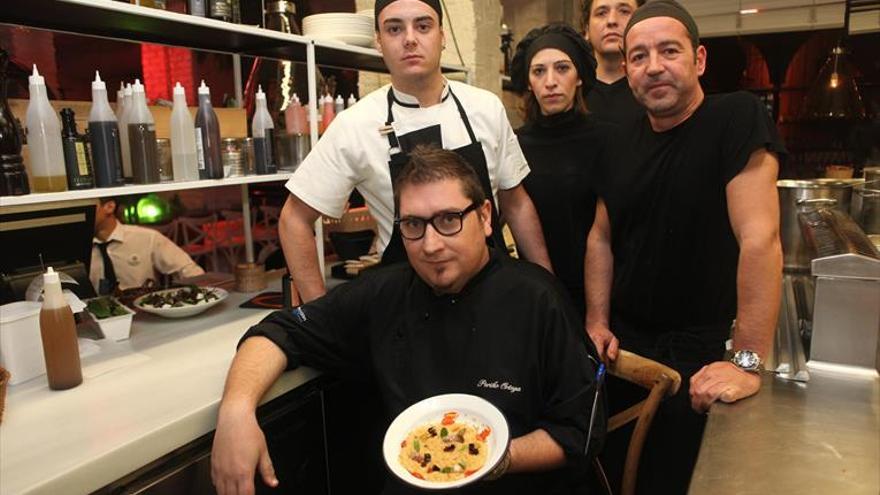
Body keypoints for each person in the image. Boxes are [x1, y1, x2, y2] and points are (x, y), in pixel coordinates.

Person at [211, 146, 602, 495]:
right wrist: (236, 410)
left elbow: (579, 431)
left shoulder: (537, 298)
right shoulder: (385, 291)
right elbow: (280, 332)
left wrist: (490, 459)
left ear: (484, 218)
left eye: (449, 219)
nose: (431, 245)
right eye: (414, 225)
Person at [585, 0, 785, 492]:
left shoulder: (735, 117)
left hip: (703, 356)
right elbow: (601, 237)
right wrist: (596, 321)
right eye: (638, 56)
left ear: (698, 60)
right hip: (625, 356)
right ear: (626, 68)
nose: (653, 66)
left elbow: (760, 239)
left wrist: (746, 361)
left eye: (668, 51)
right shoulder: (617, 142)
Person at [279, 0, 552, 304]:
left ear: (442, 36)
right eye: (394, 28)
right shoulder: (355, 125)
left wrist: (547, 287)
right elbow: (294, 220)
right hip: (406, 307)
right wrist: (321, 316)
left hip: (495, 296)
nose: (410, 38)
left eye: (423, 26)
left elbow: (516, 205)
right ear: (379, 42)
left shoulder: (485, 107)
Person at [509, 23, 614, 317]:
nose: (551, 81)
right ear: (529, 82)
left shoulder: (607, 139)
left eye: (562, 68)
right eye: (539, 71)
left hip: (604, 295)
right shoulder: (514, 144)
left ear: (579, 77)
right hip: (539, 293)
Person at [90, 197, 204, 294]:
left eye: (88, 206)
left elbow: (188, 270)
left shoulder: (146, 237)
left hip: (143, 309)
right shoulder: (79, 247)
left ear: (109, 207)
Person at [580, 0, 645, 126]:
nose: (612, 21)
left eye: (624, 11)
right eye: (601, 13)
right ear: (586, 29)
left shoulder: (654, 87)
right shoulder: (572, 92)